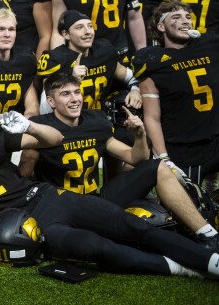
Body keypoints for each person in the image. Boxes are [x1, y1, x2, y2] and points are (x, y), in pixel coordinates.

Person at [0, 90, 219, 278]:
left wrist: (31, 125)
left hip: (44, 197)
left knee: (132, 226)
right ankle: (178, 267)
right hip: (19, 226)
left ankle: (210, 261)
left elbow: (55, 139)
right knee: (98, 248)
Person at [18, 72, 219, 247]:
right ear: (51, 102)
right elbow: (24, 177)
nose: (74, 99)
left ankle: (207, 234)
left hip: (96, 201)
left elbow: (135, 158)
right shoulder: (40, 127)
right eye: (65, 94)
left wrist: (140, 135)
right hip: (64, 210)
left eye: (76, 92)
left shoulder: (95, 121)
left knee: (156, 166)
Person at [134, 0, 219, 186]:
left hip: (215, 138)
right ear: (161, 26)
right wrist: (163, 158)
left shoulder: (210, 44)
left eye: (188, 17)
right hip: (184, 147)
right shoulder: (152, 60)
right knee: (192, 207)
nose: (185, 21)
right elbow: (152, 117)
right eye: (176, 17)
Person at [37, 10, 141, 112]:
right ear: (66, 34)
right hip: (69, 124)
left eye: (90, 26)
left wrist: (135, 90)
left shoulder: (104, 52)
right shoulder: (56, 59)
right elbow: (45, 110)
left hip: (99, 119)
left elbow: (132, 78)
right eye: (79, 27)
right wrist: (72, 80)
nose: (88, 32)